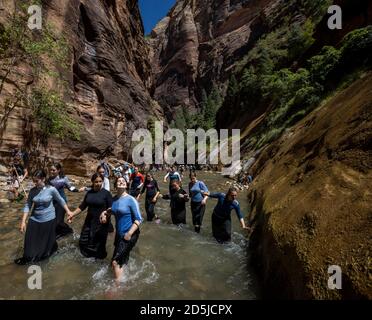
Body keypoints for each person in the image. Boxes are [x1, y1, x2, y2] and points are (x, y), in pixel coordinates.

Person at [14, 170, 73, 265]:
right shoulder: (33, 191)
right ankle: (29, 257)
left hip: (48, 219)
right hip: (34, 219)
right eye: (34, 181)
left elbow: (61, 200)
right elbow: (28, 205)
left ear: (43, 179)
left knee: (45, 242)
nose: (35, 183)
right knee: (30, 243)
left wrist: (68, 211)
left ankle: (44, 255)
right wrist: (23, 221)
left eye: (36, 181)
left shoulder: (52, 189)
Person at [100, 177, 143, 282]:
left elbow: (139, 219)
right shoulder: (114, 200)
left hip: (130, 234)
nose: (121, 181)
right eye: (119, 181)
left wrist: (129, 234)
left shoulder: (131, 199)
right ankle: (127, 273)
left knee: (115, 263)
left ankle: (117, 288)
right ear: (115, 185)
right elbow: (113, 210)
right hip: (119, 235)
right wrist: (104, 213)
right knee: (114, 263)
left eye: (123, 181)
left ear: (126, 185)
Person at [68, 173, 113, 259]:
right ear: (92, 182)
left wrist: (106, 215)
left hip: (101, 223)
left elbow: (111, 208)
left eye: (100, 181)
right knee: (83, 241)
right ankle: (85, 260)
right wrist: (72, 214)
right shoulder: (89, 193)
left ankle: (98, 262)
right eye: (96, 182)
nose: (98, 183)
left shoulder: (106, 194)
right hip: (89, 221)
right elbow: (82, 206)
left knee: (98, 244)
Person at [47, 163, 80, 239]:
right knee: (53, 220)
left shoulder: (63, 178)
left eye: (53, 170)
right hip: (52, 203)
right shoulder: (49, 179)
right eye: (50, 170)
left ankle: (68, 230)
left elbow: (70, 187)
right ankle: (58, 232)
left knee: (59, 221)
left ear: (58, 170)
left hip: (62, 203)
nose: (51, 171)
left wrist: (78, 190)